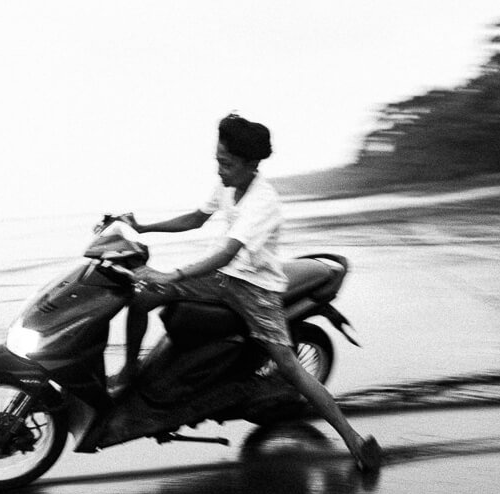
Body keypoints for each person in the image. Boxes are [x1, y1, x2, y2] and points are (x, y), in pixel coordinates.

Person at [119, 113, 381, 474]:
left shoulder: (263, 202)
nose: (219, 170)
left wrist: (172, 274)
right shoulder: (228, 183)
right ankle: (130, 371)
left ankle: (353, 440)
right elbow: (196, 218)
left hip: (258, 292)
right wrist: (143, 227)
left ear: (250, 165)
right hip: (222, 277)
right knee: (140, 297)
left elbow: (227, 251)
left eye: (225, 163)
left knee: (289, 367)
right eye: (217, 161)